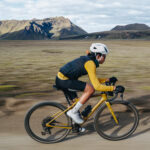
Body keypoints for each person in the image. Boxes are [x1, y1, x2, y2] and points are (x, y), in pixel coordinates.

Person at [55, 43, 124, 124]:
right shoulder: (90, 64)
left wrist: (107, 80)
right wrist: (114, 88)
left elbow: (93, 79)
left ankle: (75, 126)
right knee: (90, 89)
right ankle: (73, 112)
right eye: (104, 56)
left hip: (63, 79)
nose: (105, 58)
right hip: (64, 80)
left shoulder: (89, 60)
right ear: (98, 56)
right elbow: (97, 86)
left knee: (75, 103)